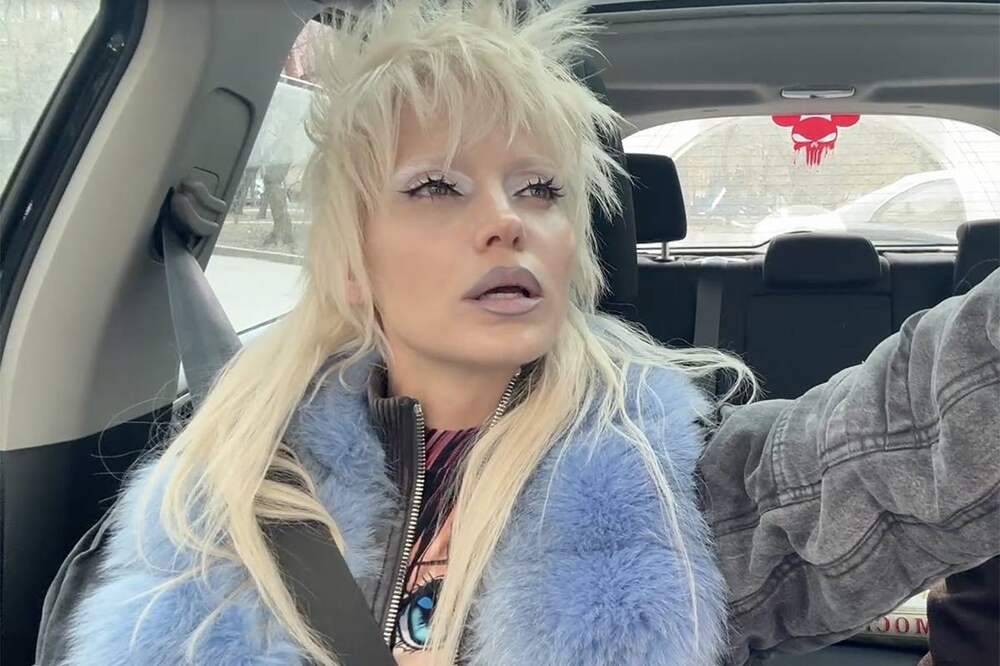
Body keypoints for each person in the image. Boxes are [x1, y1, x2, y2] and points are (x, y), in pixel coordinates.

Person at [50, 0, 999, 664]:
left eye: (540, 188)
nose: (507, 220)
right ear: (350, 266)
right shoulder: (219, 504)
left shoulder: (670, 488)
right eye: (437, 185)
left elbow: (917, 428)